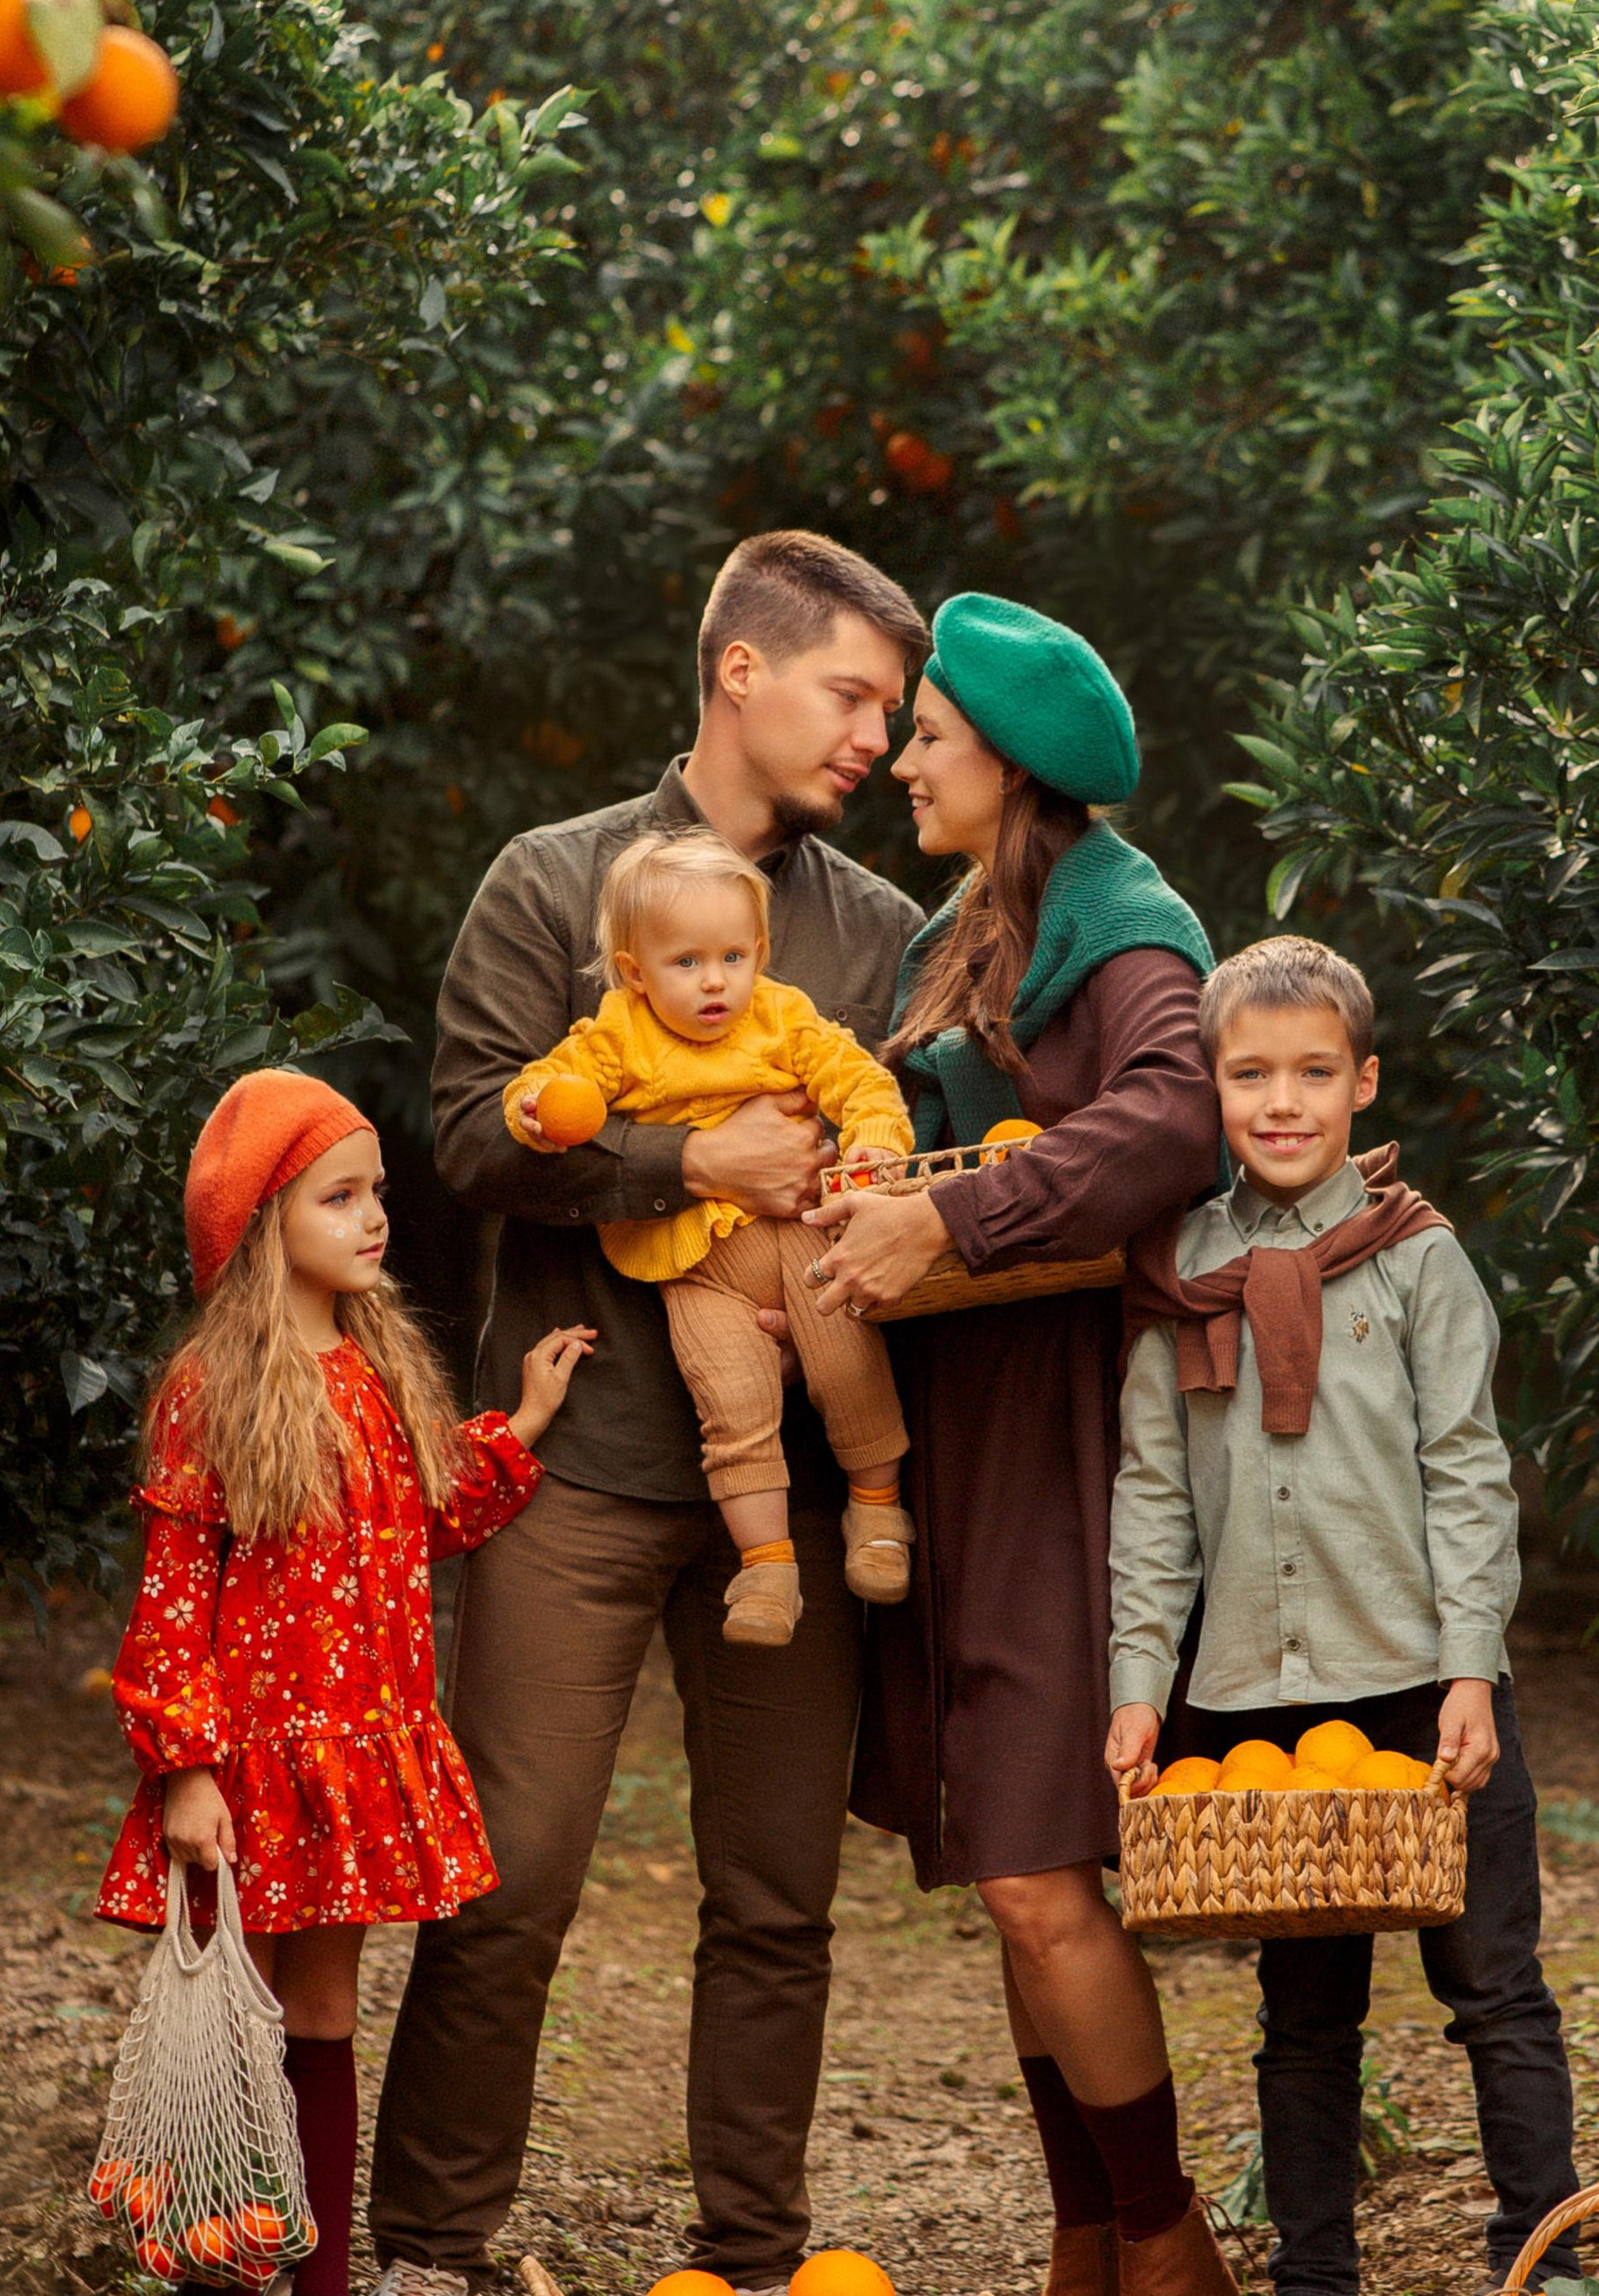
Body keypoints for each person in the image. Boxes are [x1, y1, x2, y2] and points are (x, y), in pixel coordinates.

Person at [370, 532, 930, 2296]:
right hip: (581, 1473)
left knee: (774, 1896)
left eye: (894, 711)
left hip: (792, 1496)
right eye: (851, 695)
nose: (874, 737)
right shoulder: (550, 885)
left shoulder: (882, 931)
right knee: (513, 1876)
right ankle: (431, 2248)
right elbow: (465, 1135)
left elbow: (914, 1166)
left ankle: (752, 2258)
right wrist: (684, 1157)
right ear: (742, 672)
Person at [801, 594, 1235, 2296]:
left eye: (929, 734)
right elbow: (900, 1134)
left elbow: (1176, 1119)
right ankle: (1085, 2233)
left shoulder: (1131, 931)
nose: (904, 758)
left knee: (1046, 1864)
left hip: (1072, 1434)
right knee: (1007, 1871)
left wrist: (964, 1218)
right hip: (956, 1433)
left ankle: (1165, 2238)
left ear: (1014, 760)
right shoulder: (952, 932)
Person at [1106, 935, 1583, 2296]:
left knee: (1493, 1986)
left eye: (1314, 1071)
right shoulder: (1176, 1276)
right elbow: (1155, 1499)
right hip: (1257, 1701)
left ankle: (1539, 2256)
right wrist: (1142, 1684)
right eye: (1250, 1073)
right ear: (1210, 1088)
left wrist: (1472, 1674)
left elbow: (1467, 1474)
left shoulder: (1419, 1260)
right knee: (1304, 2018)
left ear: (1362, 1081)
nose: (1283, 1101)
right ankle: (1315, 2277)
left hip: (1422, 1683)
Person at [97, 1068, 594, 2296]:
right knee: (244, 2015)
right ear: (266, 1223)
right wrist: (190, 1769)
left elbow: (425, 1512)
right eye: (340, 1197)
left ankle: (315, 2274)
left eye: (376, 1192)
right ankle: (232, 2258)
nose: (375, 1217)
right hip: (256, 1756)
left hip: (359, 1755)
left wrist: (520, 1425)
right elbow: (170, 1600)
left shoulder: (376, 1373)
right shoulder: (213, 1393)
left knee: (325, 2011)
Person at [502, 827, 915, 1646]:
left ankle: (877, 1513)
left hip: (799, 1236)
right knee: (731, 1404)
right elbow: (557, 1079)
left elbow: (860, 1077)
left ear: (759, 952)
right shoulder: (624, 1030)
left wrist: (873, 1139)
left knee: (846, 1360)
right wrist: (541, 1109)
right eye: (685, 963)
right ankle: (766, 1567)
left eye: (734, 956)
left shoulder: (781, 1015)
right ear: (635, 974)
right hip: (694, 1264)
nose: (715, 981)